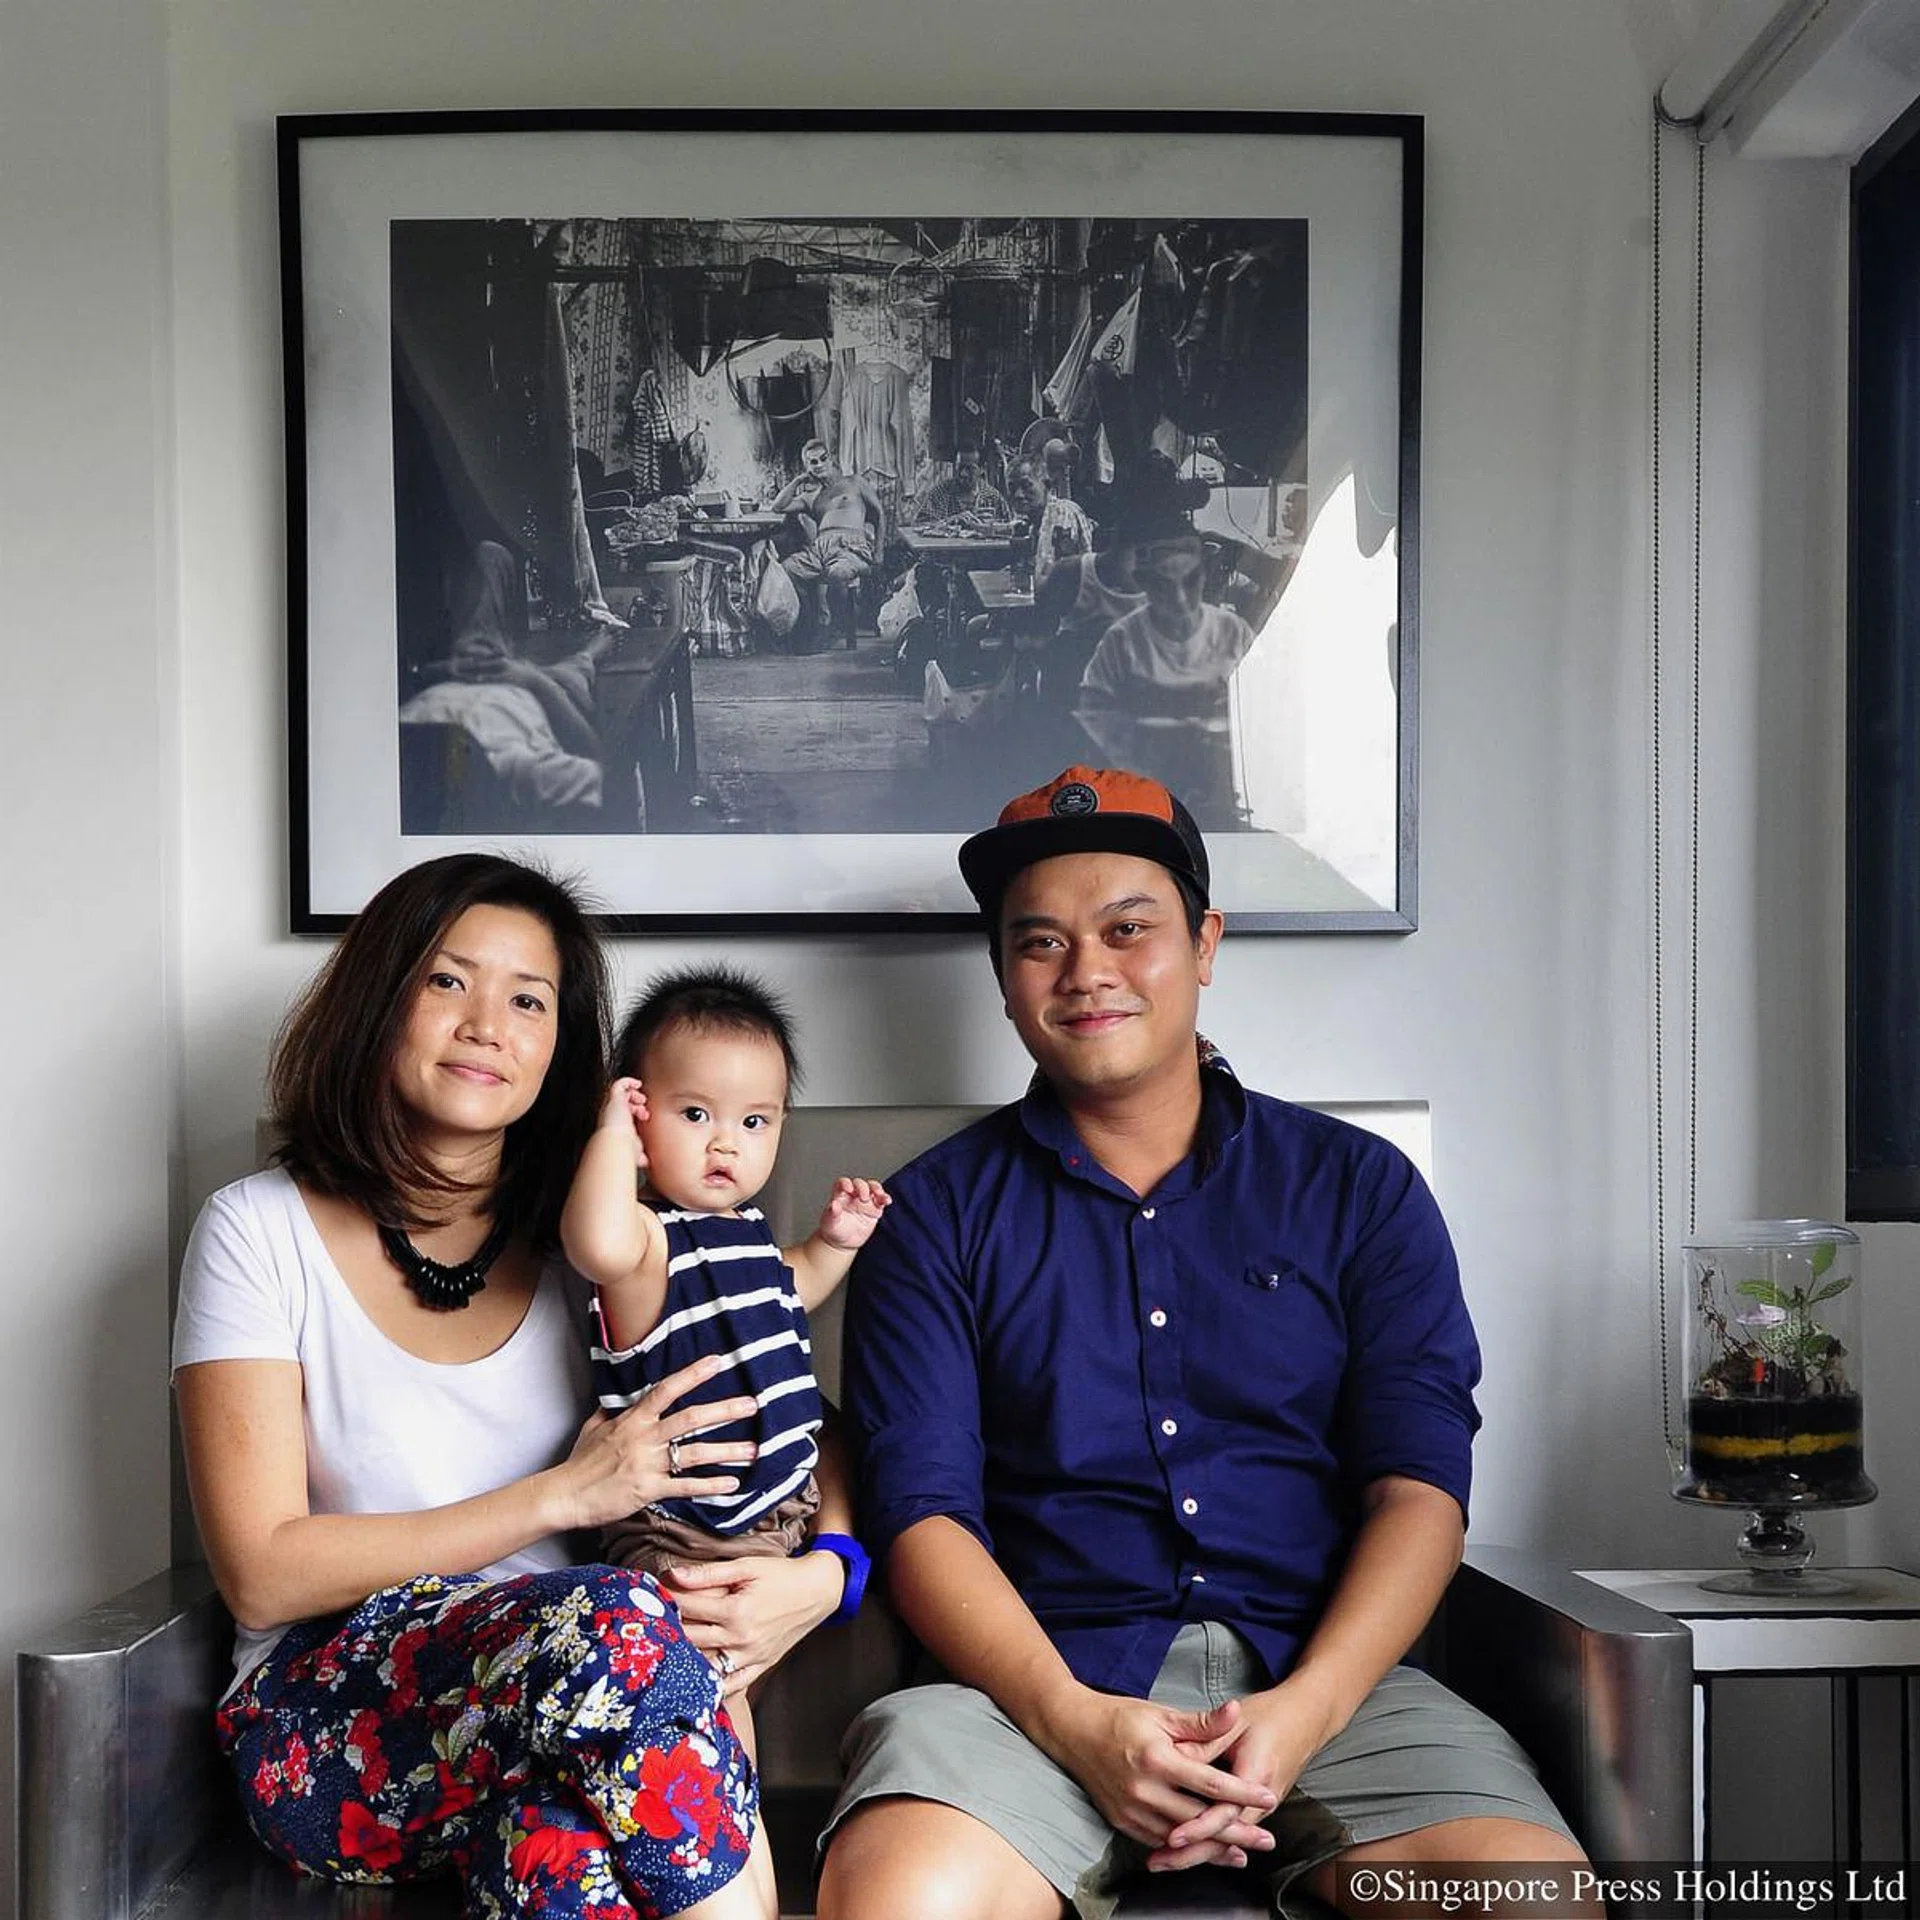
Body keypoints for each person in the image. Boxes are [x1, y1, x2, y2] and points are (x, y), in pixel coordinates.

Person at [816, 767, 1585, 1920]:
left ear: (1205, 941)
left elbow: (1418, 1488)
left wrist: (1307, 1710)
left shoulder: (1357, 1191)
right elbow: (921, 1512)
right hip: (1026, 1697)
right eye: (1041, 944)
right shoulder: (930, 1217)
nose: (1088, 973)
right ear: (1003, 976)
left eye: (1130, 929)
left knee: (1528, 1901)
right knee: (902, 1902)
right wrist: (1077, 1724)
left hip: (1330, 1690)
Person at [173, 853, 798, 1919]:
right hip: (331, 1728)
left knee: (561, 1858)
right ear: (378, 1000)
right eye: (447, 982)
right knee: (616, 1620)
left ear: (564, 1045)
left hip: (589, 1712)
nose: (486, 1025)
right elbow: (264, 1574)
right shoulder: (256, 1231)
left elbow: (777, 1410)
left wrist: (828, 1574)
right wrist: (560, 1498)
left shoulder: (604, 1238)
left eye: (527, 999)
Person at [561, 966, 891, 1763]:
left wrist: (834, 1245)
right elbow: (594, 1242)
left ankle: (722, 1833)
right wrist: (609, 1135)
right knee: (710, 1705)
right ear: (642, 1117)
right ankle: (725, 1851)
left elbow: (792, 1290)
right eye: (695, 1113)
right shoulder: (646, 1244)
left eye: (755, 1121)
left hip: (777, 1515)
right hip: (687, 1530)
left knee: (731, 1692)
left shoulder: (745, 1235)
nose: (725, 1142)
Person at [1076, 524, 1256, 829]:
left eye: (1190, 582)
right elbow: (1094, 712)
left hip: (1219, 788)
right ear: (1146, 584)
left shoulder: (1232, 632)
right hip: (1144, 790)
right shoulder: (1122, 640)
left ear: (1204, 576)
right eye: (1163, 586)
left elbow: (1263, 709)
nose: (1180, 599)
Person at [772, 439, 886, 649]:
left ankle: (830, 628)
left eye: (823, 458)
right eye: (813, 462)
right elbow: (778, 507)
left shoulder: (855, 482)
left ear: (831, 458)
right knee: (786, 569)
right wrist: (798, 480)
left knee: (837, 573)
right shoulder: (811, 497)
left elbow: (879, 513)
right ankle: (810, 621)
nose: (820, 464)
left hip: (851, 547)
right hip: (820, 548)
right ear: (809, 468)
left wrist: (879, 551)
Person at [1008, 456, 1095, 597]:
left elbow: (1061, 578)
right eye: (1012, 487)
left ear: (1047, 485)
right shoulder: (1034, 521)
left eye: (1026, 486)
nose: (1018, 494)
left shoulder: (1061, 514)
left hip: (1069, 606)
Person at [911, 445, 1012, 527]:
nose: (963, 474)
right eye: (960, 467)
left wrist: (991, 526)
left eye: (969, 469)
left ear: (982, 469)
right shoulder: (940, 492)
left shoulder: (992, 496)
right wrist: (951, 521)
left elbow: (1010, 527)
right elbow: (920, 525)